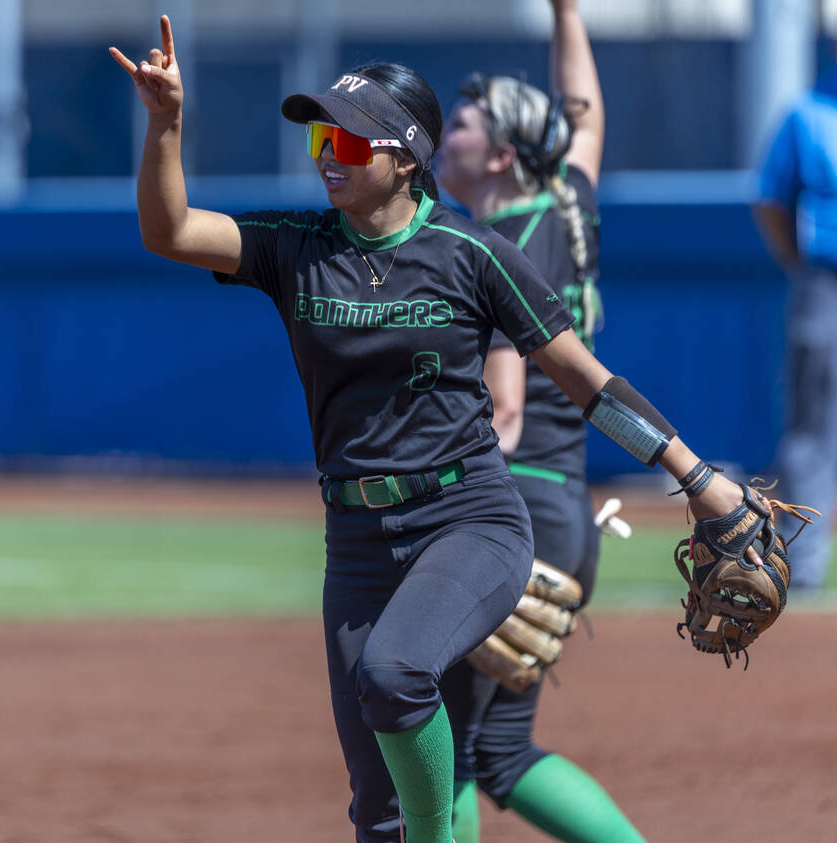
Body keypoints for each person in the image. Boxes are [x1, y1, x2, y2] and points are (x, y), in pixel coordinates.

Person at [112, 17, 756, 843]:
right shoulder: (295, 246)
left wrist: (701, 481)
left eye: (349, 140)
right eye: (319, 135)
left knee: (397, 674)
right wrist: (164, 123)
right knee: (374, 810)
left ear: (405, 158)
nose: (326, 154)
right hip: (355, 540)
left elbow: (589, 386)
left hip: (471, 520)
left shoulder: (471, 251)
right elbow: (168, 231)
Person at [433, 3, 645, 841]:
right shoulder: (565, 206)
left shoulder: (493, 249)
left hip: (514, 519)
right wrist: (566, 11)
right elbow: (584, 112)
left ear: (501, 155)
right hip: (568, 514)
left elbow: (506, 413)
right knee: (500, 752)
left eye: (460, 126)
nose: (443, 138)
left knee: (438, 741)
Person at [753, 56, 837, 593]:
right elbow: (770, 201)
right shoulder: (807, 114)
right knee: (813, 423)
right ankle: (801, 564)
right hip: (824, 280)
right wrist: (799, 264)